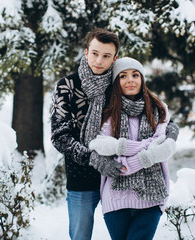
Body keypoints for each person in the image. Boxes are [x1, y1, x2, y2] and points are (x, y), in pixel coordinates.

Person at [88, 57, 179, 240]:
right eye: (123, 76)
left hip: (151, 198)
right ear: (116, 82)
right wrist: (137, 148)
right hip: (116, 199)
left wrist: (126, 161)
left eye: (135, 75)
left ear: (142, 79)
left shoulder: (158, 109)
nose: (130, 80)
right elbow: (98, 144)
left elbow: (161, 145)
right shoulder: (108, 113)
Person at [50, 28, 121, 240]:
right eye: (95, 53)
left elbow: (147, 112)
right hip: (80, 176)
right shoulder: (67, 86)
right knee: (80, 236)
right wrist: (92, 158)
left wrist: (168, 127)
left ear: (114, 58)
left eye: (106, 56)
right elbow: (59, 135)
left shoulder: (120, 85)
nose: (99, 60)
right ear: (86, 51)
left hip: (118, 175)